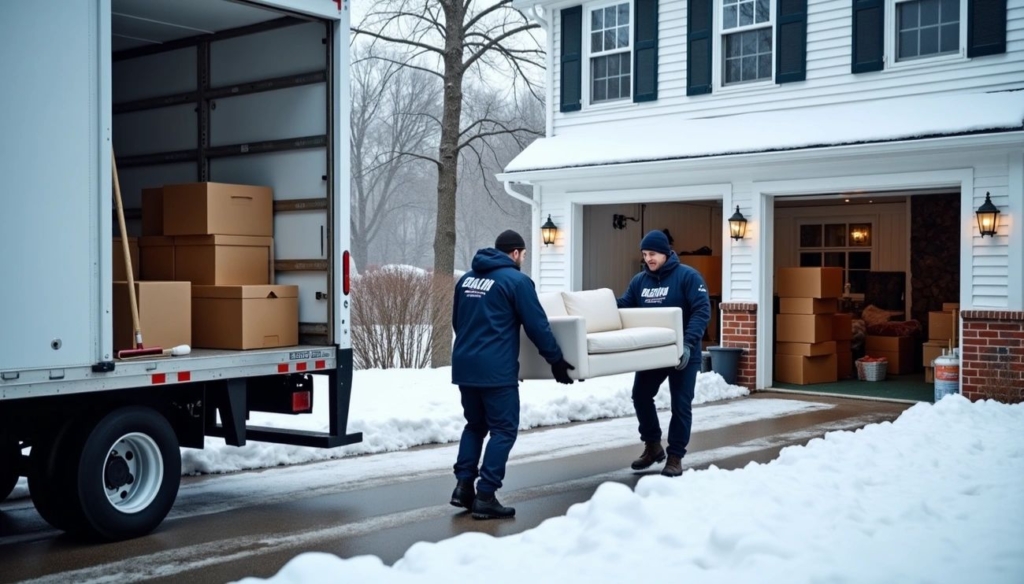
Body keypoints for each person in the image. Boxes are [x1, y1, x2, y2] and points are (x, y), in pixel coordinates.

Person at [450, 229, 576, 519]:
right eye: (523, 254)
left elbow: (459, 322)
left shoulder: (467, 279)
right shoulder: (518, 281)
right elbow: (537, 326)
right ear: (516, 253)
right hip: (496, 371)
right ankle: (486, 495)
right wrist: (556, 360)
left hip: (465, 366)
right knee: (504, 430)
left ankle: (463, 487)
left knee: (474, 426)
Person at [617, 229, 711, 477]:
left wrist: (689, 345)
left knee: (680, 404)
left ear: (666, 253)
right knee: (640, 395)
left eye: (653, 253)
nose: (649, 258)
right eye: (645, 254)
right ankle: (653, 446)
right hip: (654, 353)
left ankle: (675, 456)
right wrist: (598, 303)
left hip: (684, 354)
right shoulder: (639, 282)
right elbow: (623, 307)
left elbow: (702, 311)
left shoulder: (688, 277)